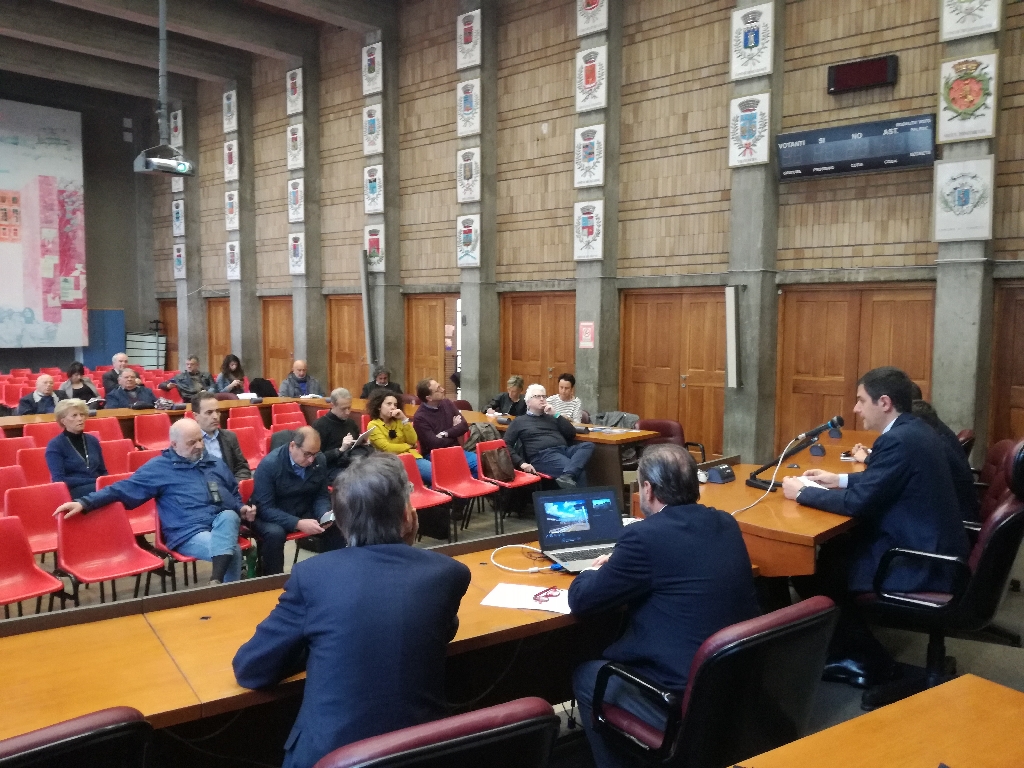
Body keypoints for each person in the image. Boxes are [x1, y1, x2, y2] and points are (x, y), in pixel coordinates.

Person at [233, 452, 471, 768]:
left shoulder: (312, 575)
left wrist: (319, 644)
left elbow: (252, 668)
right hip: (422, 753)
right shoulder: (448, 573)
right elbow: (442, 629)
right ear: (408, 517)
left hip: (331, 757)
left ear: (341, 525)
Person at [570, 444, 760, 768]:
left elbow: (582, 601)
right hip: (738, 687)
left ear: (648, 489)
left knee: (587, 675)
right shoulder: (726, 523)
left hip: (680, 699)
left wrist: (590, 570)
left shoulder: (643, 538)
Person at [782, 366, 970, 687]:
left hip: (918, 560)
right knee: (832, 553)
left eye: (860, 400)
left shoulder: (900, 439)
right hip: (931, 544)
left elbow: (859, 503)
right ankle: (848, 647)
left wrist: (804, 493)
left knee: (812, 569)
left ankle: (866, 659)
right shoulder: (912, 431)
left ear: (884, 402)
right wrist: (837, 479)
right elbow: (882, 479)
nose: (855, 409)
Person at [55, 419, 254, 584]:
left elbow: (233, 493)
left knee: (229, 516)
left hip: (221, 524)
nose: (199, 446)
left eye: (200, 440)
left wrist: (241, 507)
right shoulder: (159, 468)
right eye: (192, 443)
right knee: (232, 550)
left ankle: (218, 584)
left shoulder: (214, 463)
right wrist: (85, 502)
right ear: (174, 445)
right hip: (188, 532)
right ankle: (224, 593)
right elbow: (123, 488)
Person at [251, 426, 339, 576]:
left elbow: (321, 494)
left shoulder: (319, 460)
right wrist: (297, 523)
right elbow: (265, 508)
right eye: (307, 454)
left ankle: (330, 573)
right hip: (273, 513)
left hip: (302, 507)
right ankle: (273, 581)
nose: (311, 460)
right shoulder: (269, 465)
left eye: (315, 454)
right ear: (292, 446)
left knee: (335, 525)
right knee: (275, 534)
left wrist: (324, 514)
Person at [503, 384, 594, 488]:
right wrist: (521, 463)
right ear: (528, 402)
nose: (542, 399)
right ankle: (573, 486)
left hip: (563, 450)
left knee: (588, 445)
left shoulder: (551, 416)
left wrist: (556, 414)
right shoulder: (519, 421)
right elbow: (505, 444)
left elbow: (571, 433)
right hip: (542, 456)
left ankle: (568, 475)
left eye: (544, 396)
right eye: (537, 396)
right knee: (579, 472)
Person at [412, 378, 478, 475]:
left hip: (455, 450)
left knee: (479, 463)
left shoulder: (447, 403)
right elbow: (435, 444)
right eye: (438, 389)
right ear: (429, 398)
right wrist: (455, 431)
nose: (443, 390)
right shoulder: (420, 417)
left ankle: (471, 487)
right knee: (458, 470)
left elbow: (464, 426)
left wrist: (445, 433)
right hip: (435, 455)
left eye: (440, 386)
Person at [45, 399, 108, 498]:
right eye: (74, 415)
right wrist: (95, 481)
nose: (80, 419)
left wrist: (104, 481)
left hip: (98, 486)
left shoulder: (92, 440)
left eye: (82, 414)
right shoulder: (55, 445)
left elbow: (103, 471)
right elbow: (59, 479)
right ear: (63, 421)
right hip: (73, 491)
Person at [366, 389, 430, 483]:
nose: (393, 407)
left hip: (413, 458)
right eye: (389, 404)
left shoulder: (400, 421)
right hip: (393, 463)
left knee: (439, 475)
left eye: (395, 405)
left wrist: (404, 419)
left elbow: (413, 440)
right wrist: (408, 446)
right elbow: (387, 448)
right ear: (379, 406)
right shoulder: (373, 425)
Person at [193, 392, 251, 481]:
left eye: (217, 411)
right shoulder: (189, 442)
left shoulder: (229, 437)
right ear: (196, 416)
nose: (215, 416)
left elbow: (242, 468)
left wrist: (234, 486)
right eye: (209, 412)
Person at [312, 388, 370, 476]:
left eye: (349, 408)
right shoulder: (320, 425)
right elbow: (315, 459)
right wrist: (340, 450)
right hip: (332, 468)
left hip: (351, 463)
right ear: (332, 405)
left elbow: (355, 445)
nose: (347, 412)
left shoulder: (351, 423)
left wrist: (363, 442)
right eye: (343, 409)